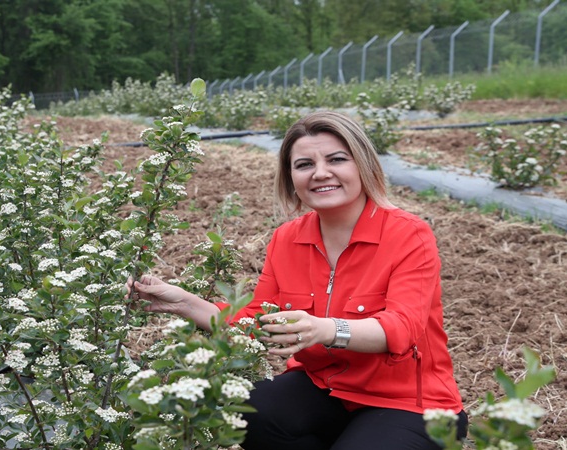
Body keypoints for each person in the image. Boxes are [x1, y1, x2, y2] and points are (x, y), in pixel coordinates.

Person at [129, 111, 467, 449]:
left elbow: (401, 328)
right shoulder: (287, 238)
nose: (321, 173)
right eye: (304, 165)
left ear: (363, 165)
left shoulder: (408, 234)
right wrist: (184, 302)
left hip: (407, 402)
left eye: (336, 159)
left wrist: (326, 329)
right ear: (291, 178)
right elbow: (258, 318)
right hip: (323, 387)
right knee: (243, 412)